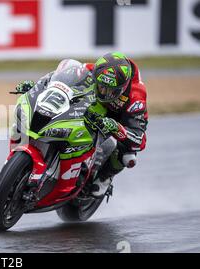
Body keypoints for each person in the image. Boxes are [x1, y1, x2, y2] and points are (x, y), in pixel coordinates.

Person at [15, 52, 148, 197]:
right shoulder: (91, 70)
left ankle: (105, 177)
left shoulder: (136, 98)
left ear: (121, 88)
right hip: (94, 108)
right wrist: (37, 87)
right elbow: (58, 80)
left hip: (118, 119)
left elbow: (139, 140)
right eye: (100, 86)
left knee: (128, 156)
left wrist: (116, 127)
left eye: (108, 90)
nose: (102, 91)